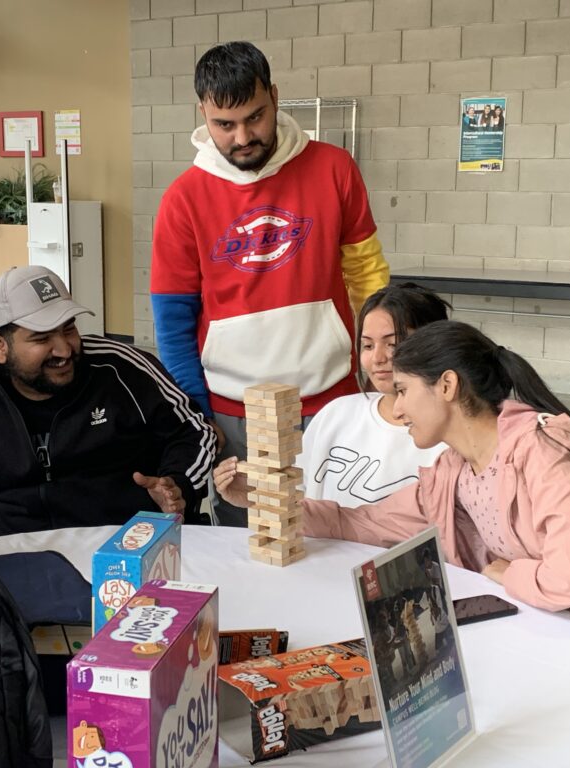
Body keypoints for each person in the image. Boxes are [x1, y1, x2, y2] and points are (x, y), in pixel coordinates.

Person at [297, 320, 570, 655]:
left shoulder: (542, 452)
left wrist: (507, 573)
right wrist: (262, 499)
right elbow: (363, 522)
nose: (398, 408)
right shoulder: (454, 471)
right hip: (547, 635)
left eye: (403, 390)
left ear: (447, 386)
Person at [150, 41, 389, 526]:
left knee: (340, 540)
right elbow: (173, 323)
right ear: (203, 114)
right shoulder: (183, 199)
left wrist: (385, 370)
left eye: (255, 118)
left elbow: (368, 278)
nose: (242, 137)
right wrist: (200, 415)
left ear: (275, 98)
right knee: (254, 550)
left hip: (333, 401)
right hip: (234, 416)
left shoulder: (334, 168)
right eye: (225, 124)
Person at [0, 265, 217, 543]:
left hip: (129, 543)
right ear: (0, 346)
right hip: (15, 553)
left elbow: (196, 431)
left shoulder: (121, 368)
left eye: (68, 328)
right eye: (42, 338)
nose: (63, 349)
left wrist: (177, 484)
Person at [214, 283, 450, 509]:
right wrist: (258, 495)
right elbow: (299, 499)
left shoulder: (446, 440)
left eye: (393, 344)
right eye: (367, 346)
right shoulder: (337, 413)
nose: (378, 358)